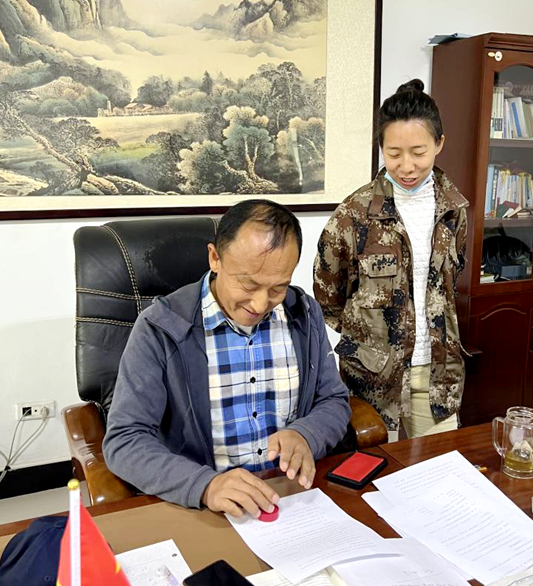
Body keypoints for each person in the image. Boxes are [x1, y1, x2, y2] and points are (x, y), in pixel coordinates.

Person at [103, 200, 350, 517]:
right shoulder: (161, 328)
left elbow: (333, 399)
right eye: (248, 284)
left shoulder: (303, 314)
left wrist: (306, 433)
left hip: (290, 499)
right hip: (203, 510)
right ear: (215, 258)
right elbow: (125, 440)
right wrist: (205, 485)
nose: (259, 304)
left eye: (278, 288)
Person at [313, 79, 468, 439]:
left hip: (437, 375)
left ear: (439, 144)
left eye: (418, 152)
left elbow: (448, 284)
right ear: (381, 148)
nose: (406, 166)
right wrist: (370, 343)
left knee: (439, 467)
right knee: (378, 471)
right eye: (394, 153)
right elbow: (328, 297)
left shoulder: (453, 210)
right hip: (373, 381)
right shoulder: (353, 214)